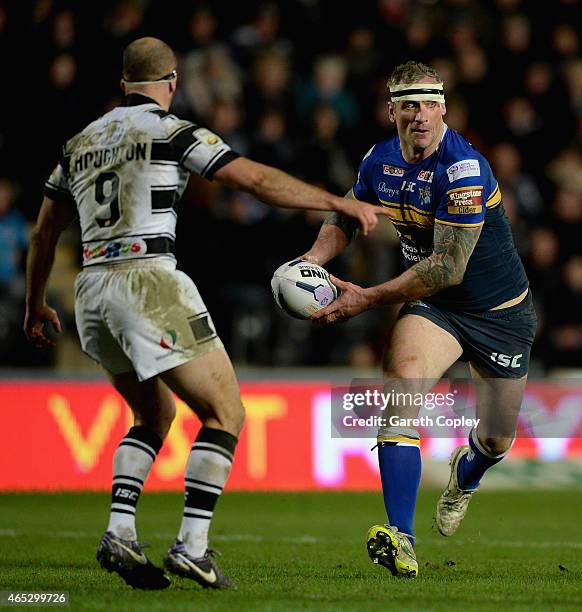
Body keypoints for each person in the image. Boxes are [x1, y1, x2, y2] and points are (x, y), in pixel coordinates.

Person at [23, 37, 387, 591]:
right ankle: (192, 545)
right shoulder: (173, 131)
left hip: (92, 289)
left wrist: (34, 304)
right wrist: (338, 203)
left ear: (123, 84)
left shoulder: (78, 143)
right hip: (148, 279)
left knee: (154, 415)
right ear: (171, 82)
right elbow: (254, 180)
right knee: (226, 412)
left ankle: (120, 529)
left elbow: (44, 232)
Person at [300, 61, 537, 578]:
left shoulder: (465, 168)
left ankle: (466, 474)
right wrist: (312, 261)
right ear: (392, 111)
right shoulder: (378, 161)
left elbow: (448, 267)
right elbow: (347, 213)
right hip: (438, 309)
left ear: (444, 108)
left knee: (496, 438)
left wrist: (366, 298)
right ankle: (401, 537)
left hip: (499, 314)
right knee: (401, 387)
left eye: (430, 103)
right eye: (408, 104)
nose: (420, 114)